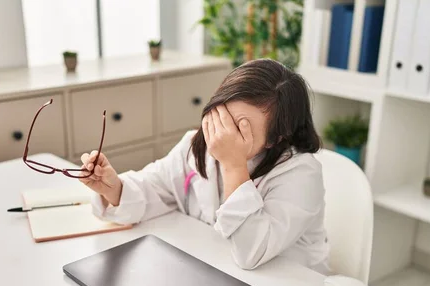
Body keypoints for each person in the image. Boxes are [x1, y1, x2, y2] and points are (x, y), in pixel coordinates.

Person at [78, 59, 330, 273]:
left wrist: (234, 166)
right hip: (217, 272)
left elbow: (252, 253)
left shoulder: (301, 174)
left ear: (276, 138)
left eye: (241, 127)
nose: (223, 133)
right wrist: (113, 188)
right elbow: (154, 187)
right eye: (223, 116)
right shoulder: (194, 145)